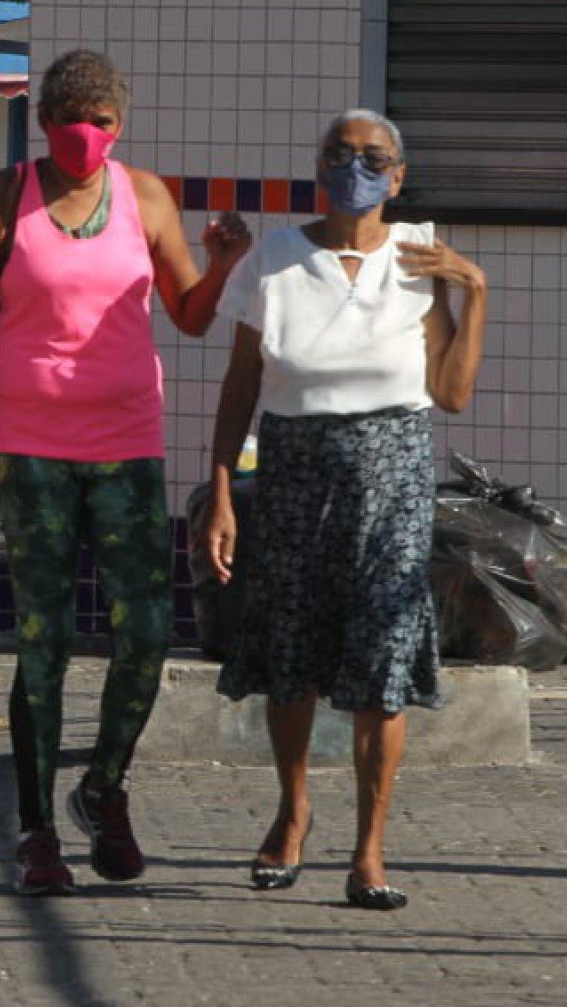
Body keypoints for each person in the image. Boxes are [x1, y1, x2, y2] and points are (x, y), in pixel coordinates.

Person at [0, 49, 253, 897]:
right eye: (71, 120)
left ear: (121, 124)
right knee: (45, 638)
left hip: (127, 446)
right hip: (31, 448)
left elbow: (188, 315)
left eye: (101, 122)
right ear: (43, 122)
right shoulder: (3, 197)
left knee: (146, 631)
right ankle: (37, 831)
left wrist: (221, 264)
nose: (86, 135)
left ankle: (104, 786)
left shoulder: (146, 197)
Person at [203, 109, 486, 913]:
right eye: (340, 154)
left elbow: (452, 395)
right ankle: (292, 810)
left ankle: (369, 848)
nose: (354, 169)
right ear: (318, 165)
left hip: (392, 482)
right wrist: (220, 491)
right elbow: (241, 383)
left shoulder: (420, 255)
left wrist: (474, 291)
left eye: (373, 157)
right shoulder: (274, 258)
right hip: (295, 473)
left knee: (382, 664)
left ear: (398, 176)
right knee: (291, 653)